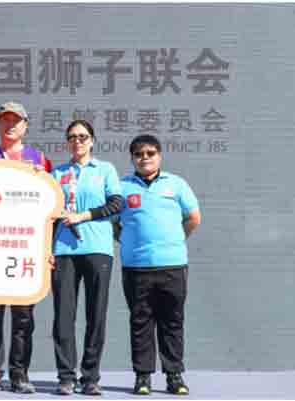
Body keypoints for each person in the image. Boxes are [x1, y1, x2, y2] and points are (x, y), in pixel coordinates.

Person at [116, 134, 201, 396]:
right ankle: (142, 377)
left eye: (150, 153)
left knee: (172, 321)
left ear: (159, 155)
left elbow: (193, 218)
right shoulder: (121, 187)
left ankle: (174, 376)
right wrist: (131, 241)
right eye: (139, 154)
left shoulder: (176, 184)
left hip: (173, 265)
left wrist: (174, 241)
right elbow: (112, 224)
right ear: (132, 158)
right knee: (140, 322)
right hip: (136, 267)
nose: (145, 158)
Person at [0, 101, 51, 394]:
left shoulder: (38, 159)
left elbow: (48, 207)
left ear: (25, 126)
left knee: (23, 318)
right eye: (5, 120)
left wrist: (46, 249)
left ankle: (19, 374)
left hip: (25, 249)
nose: (10, 125)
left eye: (15, 121)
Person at [50, 119, 123, 396]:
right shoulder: (57, 173)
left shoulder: (105, 170)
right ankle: (66, 376)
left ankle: (90, 377)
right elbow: (48, 214)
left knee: (96, 314)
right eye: (72, 137)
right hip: (64, 250)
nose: (77, 141)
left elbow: (116, 204)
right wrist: (47, 249)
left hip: (97, 248)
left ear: (92, 140)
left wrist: (83, 215)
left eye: (82, 136)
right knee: (63, 316)